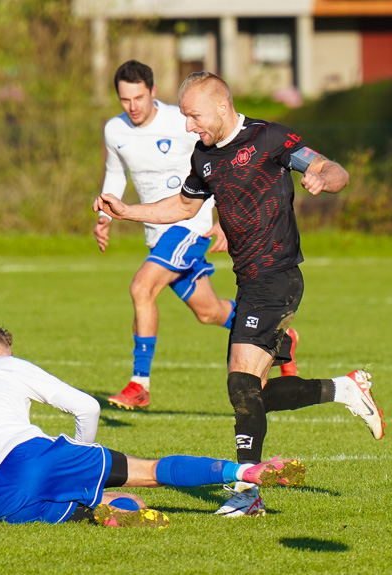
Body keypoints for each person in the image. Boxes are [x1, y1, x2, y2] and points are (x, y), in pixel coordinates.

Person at [94, 71, 385, 518]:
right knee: (253, 394)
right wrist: (128, 210)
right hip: (249, 282)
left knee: (239, 383)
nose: (189, 126)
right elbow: (186, 205)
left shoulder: (270, 139)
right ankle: (343, 389)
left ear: (222, 107)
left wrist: (325, 178)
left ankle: (248, 494)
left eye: (193, 116)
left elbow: (333, 168)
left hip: (278, 277)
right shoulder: (205, 157)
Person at [0, 322, 305, 527]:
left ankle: (115, 510)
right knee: (150, 472)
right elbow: (86, 408)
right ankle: (244, 470)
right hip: (30, 457)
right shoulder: (5, 363)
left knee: (98, 507)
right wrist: (86, 457)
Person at [94, 60, 300, 411]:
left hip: (190, 225)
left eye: (139, 97)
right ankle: (281, 338)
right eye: (125, 99)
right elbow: (116, 174)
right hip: (157, 233)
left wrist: (223, 219)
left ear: (153, 92)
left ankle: (138, 384)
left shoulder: (183, 119)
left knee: (142, 288)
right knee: (209, 312)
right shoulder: (114, 130)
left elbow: (233, 148)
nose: (133, 106)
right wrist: (105, 214)